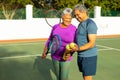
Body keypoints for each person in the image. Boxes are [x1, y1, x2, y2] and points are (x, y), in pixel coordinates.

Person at [42, 8, 76, 80]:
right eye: (67, 18)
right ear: (62, 17)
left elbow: (76, 43)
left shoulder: (73, 28)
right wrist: (45, 51)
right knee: (58, 77)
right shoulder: (55, 27)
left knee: (63, 78)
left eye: (70, 18)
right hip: (55, 56)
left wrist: (70, 53)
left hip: (66, 56)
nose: (69, 20)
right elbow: (50, 39)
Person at [72, 4, 98, 80]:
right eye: (75, 15)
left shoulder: (90, 24)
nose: (76, 17)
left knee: (87, 78)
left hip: (89, 56)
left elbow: (91, 43)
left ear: (84, 12)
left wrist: (78, 48)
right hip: (81, 55)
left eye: (78, 15)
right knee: (84, 76)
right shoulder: (80, 24)